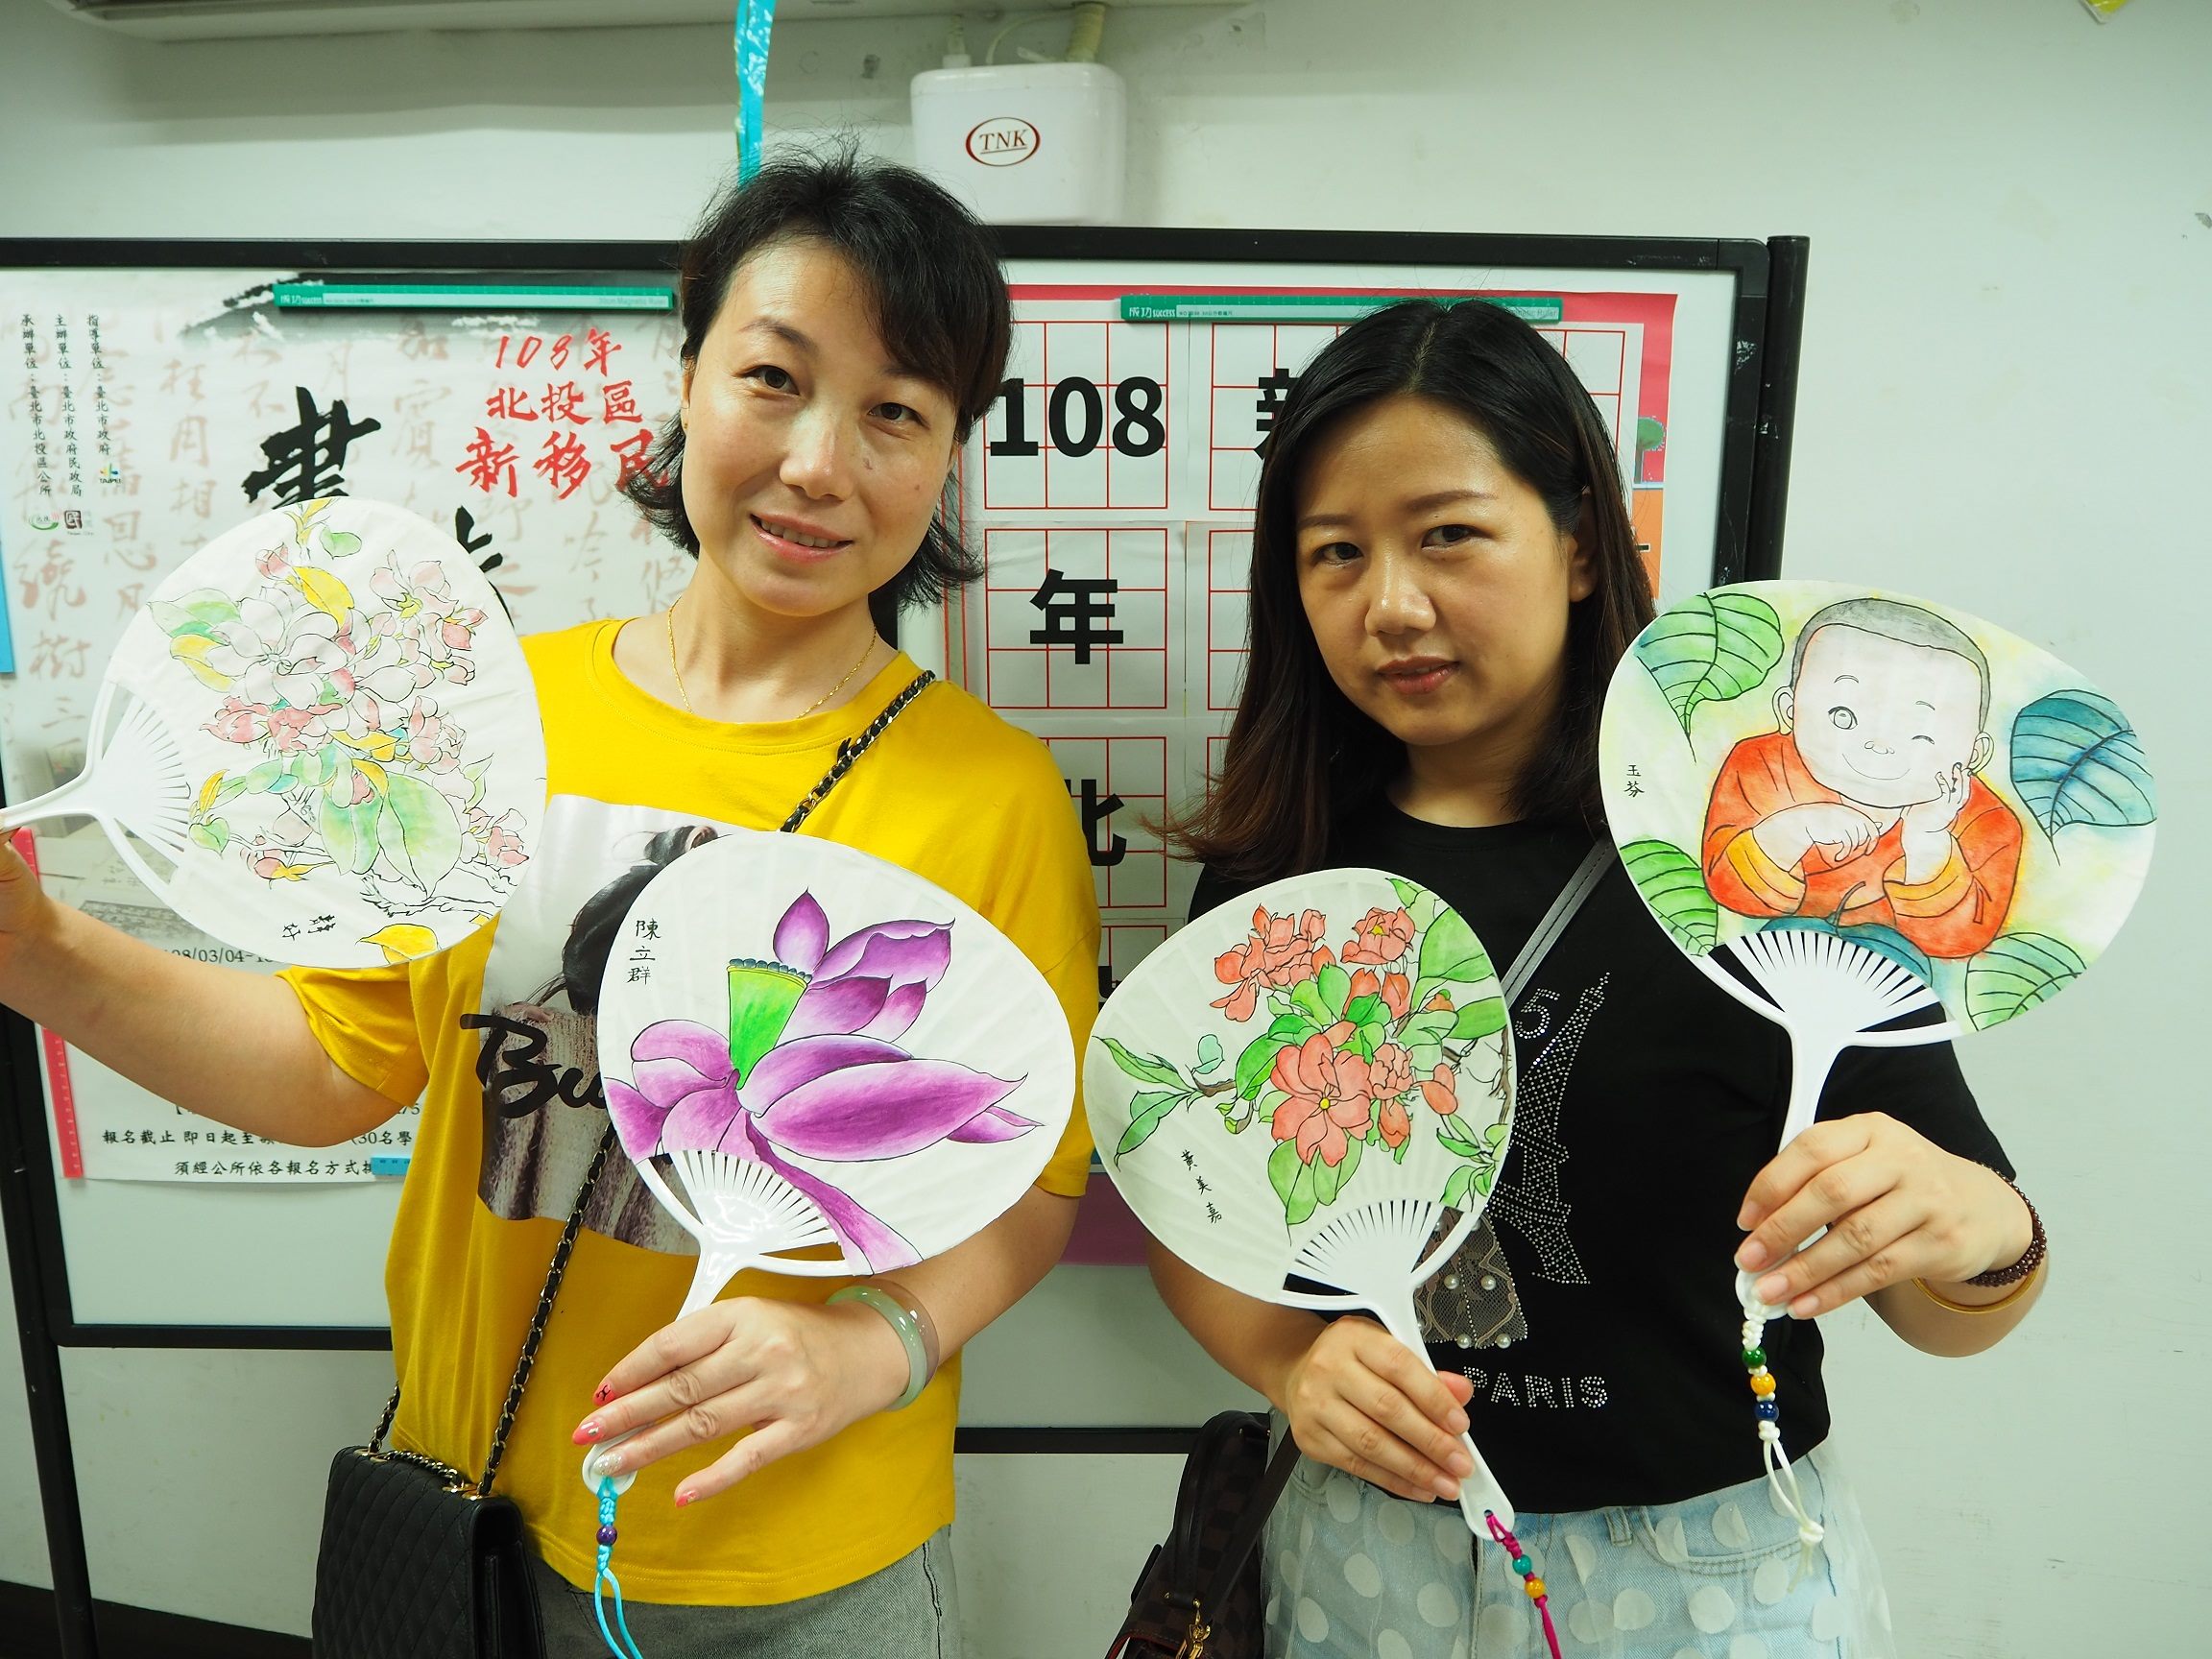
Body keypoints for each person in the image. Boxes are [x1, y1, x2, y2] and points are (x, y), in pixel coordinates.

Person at [0, 152, 1099, 1658]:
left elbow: (1035, 1187)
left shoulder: (993, 795)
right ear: (692, 373)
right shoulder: (496, 714)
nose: (819, 464)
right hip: (480, 1526)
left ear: (949, 453)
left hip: (807, 1569)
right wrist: (43, 952)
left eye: (897, 413)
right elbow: (341, 1066)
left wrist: (874, 1348)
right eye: (773, 377)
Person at [1149, 299, 2045, 1658]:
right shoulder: (1278, 887)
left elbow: (1957, 1309)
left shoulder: (1761, 859)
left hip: (1716, 1568)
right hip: (1366, 1554)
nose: (1392, 604)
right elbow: (1190, 1210)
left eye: (1448, 534)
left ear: (1578, 545)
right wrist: (1286, 1361)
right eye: (1336, 555)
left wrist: (1984, 1230)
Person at [1702, 595, 2023, 958]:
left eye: (1921, 734)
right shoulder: (1761, 765)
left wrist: (1928, 845)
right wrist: (1791, 830)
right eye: (1843, 716)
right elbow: (1728, 887)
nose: (1878, 745)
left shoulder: (1987, 822)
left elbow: (1959, 940)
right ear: (1790, 711)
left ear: (1974, 754)